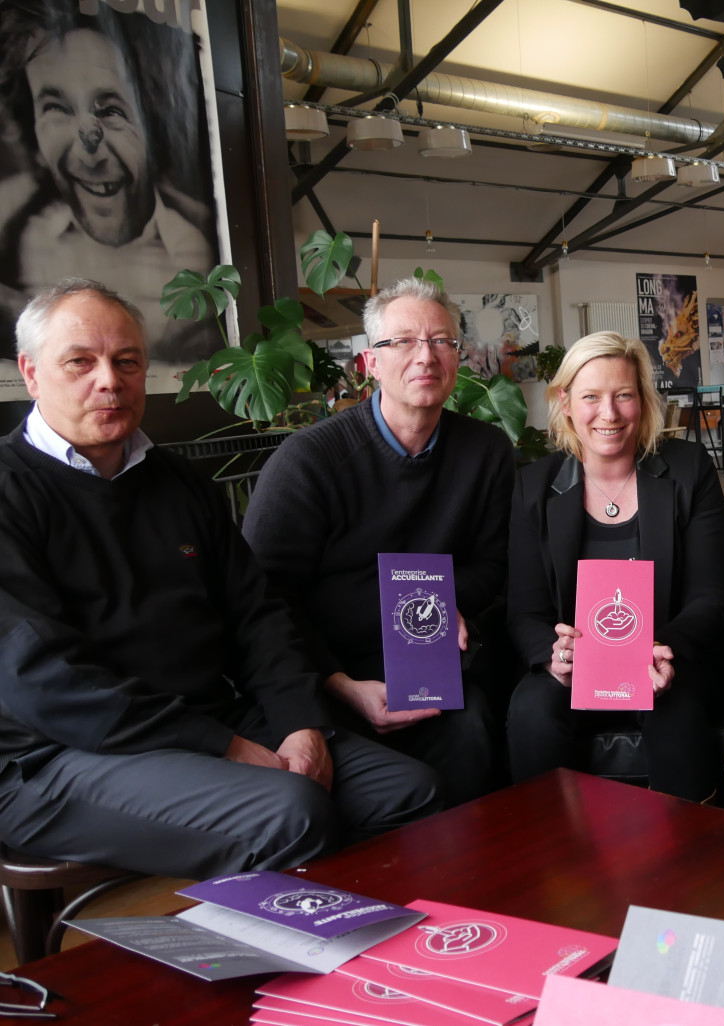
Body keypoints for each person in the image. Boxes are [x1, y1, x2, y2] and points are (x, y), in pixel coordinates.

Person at [0, 279, 442, 879]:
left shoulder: (177, 482)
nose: (108, 379)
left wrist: (300, 725)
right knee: (291, 812)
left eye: (126, 361)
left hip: (207, 719)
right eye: (80, 362)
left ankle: (361, 953)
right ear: (30, 373)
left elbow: (257, 613)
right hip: (54, 756)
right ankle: (264, 965)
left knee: (407, 789)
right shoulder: (10, 491)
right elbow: (43, 683)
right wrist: (227, 750)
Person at [244, 277, 513, 809]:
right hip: (327, 670)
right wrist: (339, 684)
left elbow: (496, 559)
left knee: (476, 730)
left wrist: (450, 602)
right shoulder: (310, 461)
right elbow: (263, 597)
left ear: (458, 359)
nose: (426, 357)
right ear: (369, 362)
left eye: (441, 341)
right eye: (404, 341)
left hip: (430, 661)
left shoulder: (485, 451)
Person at [505, 331, 724, 801]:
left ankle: (688, 856)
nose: (608, 414)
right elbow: (524, 609)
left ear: (643, 402)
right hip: (572, 670)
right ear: (565, 402)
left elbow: (708, 597)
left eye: (623, 395)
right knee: (532, 710)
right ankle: (546, 856)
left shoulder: (688, 470)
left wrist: (663, 651)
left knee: (678, 712)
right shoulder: (533, 488)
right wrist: (553, 655)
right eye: (591, 397)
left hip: (663, 663)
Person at [0, 3, 215, 361]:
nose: (89, 157)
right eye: (55, 107)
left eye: (111, 110)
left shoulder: (204, 244)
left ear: (155, 127)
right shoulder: (11, 231)